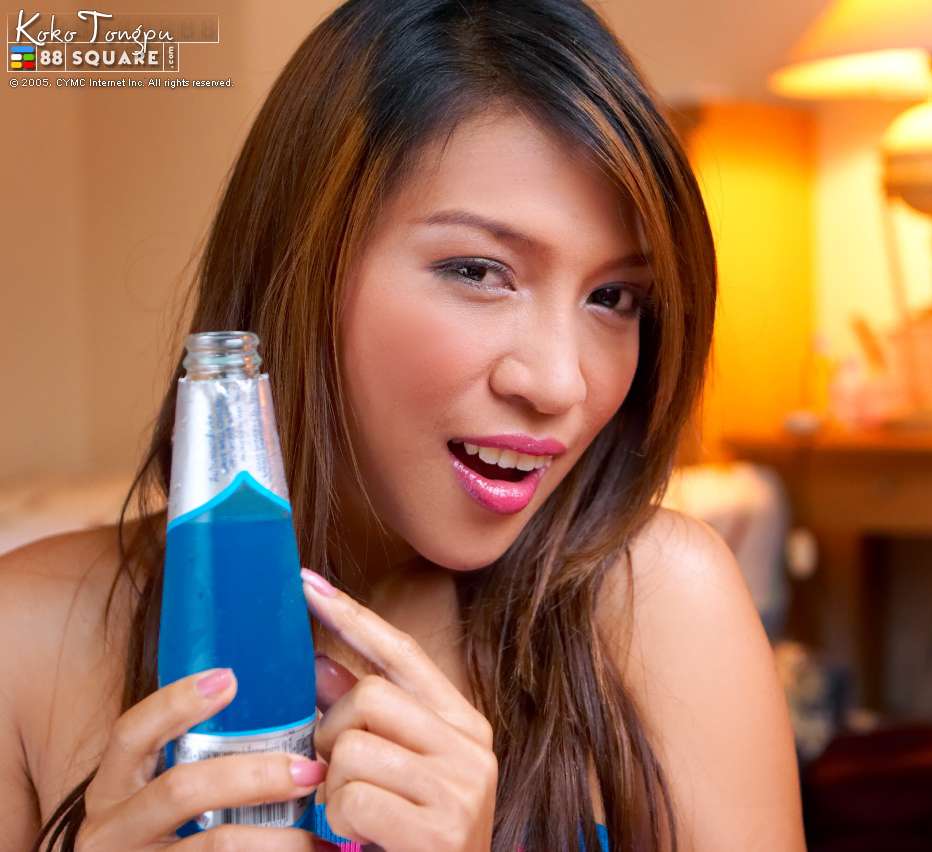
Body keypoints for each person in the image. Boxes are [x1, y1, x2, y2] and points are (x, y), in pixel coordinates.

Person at [0, 0, 805, 849]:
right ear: (301, 260)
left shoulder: (663, 607)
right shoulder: (28, 641)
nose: (560, 382)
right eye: (479, 271)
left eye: (614, 297)